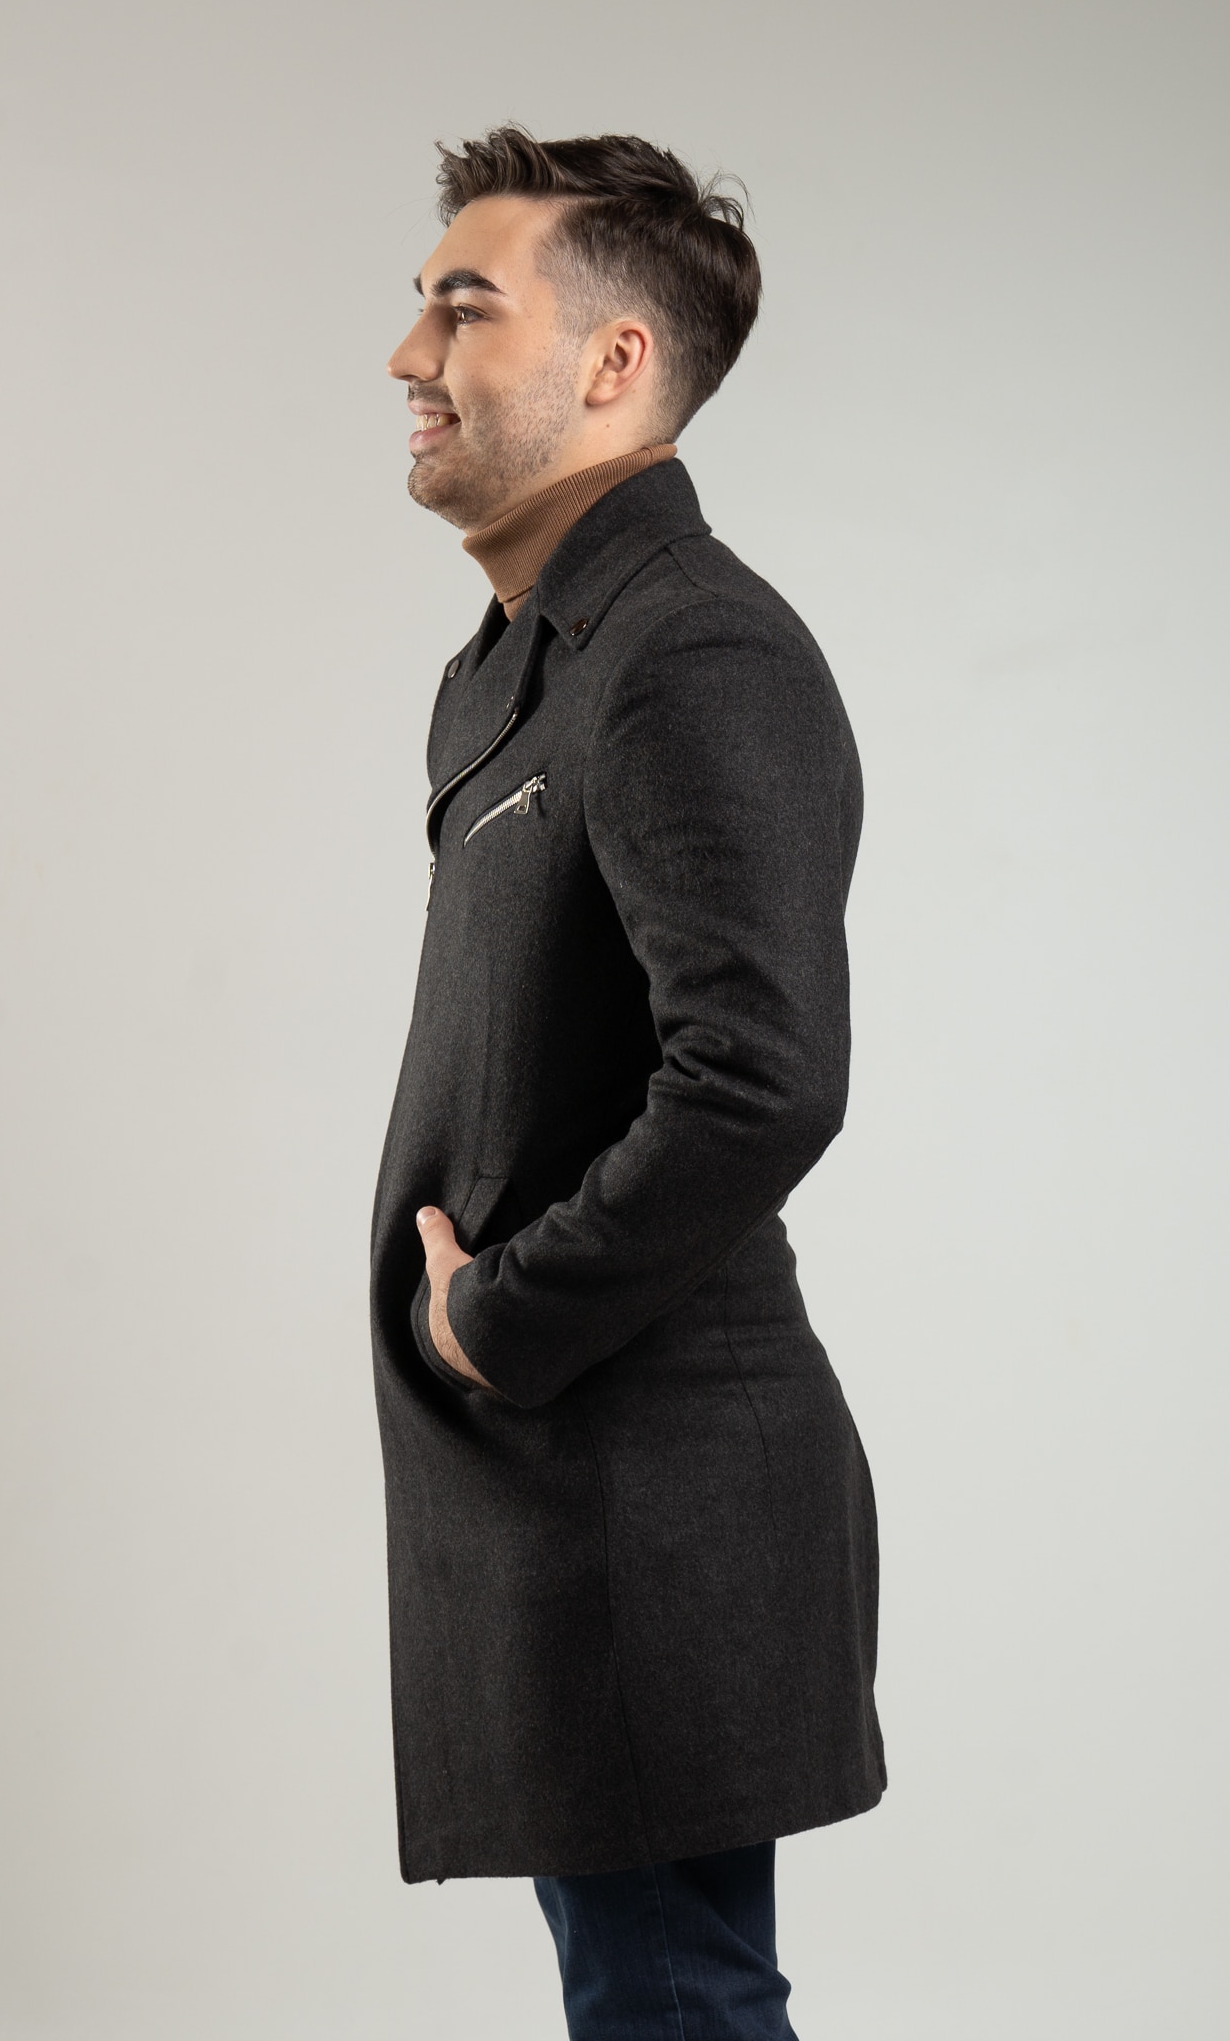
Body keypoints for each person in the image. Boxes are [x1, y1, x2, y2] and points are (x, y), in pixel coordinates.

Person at [369, 126, 887, 2040]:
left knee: (670, 2003)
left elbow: (761, 1077)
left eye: (464, 307)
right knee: (655, 1997)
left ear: (613, 363)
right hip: (573, 1491)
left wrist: (495, 1321)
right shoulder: (531, 661)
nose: (409, 356)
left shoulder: (692, 645)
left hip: (645, 1491)